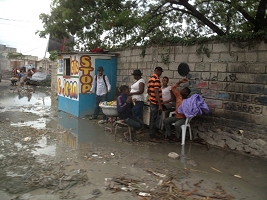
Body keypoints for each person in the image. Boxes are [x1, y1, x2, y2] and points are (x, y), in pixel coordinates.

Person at [147, 66, 164, 143]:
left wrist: (151, 96)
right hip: (155, 102)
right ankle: (152, 136)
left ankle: (152, 134)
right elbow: (156, 91)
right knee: (154, 119)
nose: (160, 74)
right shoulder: (156, 79)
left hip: (152, 101)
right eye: (160, 72)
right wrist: (160, 104)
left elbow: (148, 91)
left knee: (152, 119)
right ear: (157, 70)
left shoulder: (150, 79)